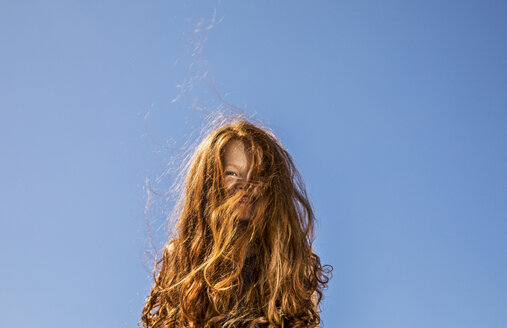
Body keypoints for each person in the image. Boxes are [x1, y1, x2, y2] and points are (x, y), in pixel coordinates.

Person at [140, 117, 332, 328]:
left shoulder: (294, 262)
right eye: (232, 173)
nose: (245, 186)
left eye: (257, 175)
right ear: (208, 181)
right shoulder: (181, 258)